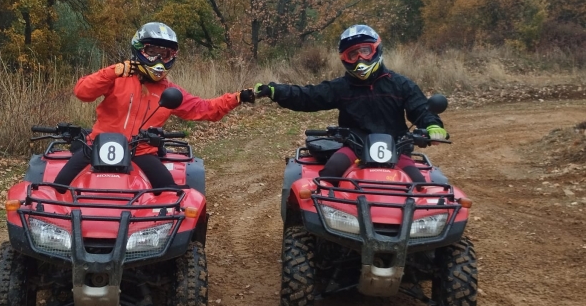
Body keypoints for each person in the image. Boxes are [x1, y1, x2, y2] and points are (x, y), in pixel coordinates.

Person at [54, 22, 254, 191]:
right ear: (139, 50)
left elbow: (204, 108)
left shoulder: (170, 91)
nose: (159, 60)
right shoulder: (118, 77)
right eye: (153, 52)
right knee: (59, 187)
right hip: (98, 146)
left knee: (170, 196)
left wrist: (236, 98)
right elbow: (82, 92)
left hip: (141, 152)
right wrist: (112, 72)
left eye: (165, 54)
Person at [254, 24, 447, 184]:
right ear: (344, 59)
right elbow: (308, 96)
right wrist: (275, 91)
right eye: (352, 54)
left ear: (376, 50)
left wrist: (432, 126)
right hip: (354, 147)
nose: (360, 59)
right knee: (329, 175)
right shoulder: (342, 87)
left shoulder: (401, 84)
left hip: (395, 149)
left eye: (365, 51)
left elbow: (421, 108)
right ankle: (317, 229)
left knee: (420, 185)